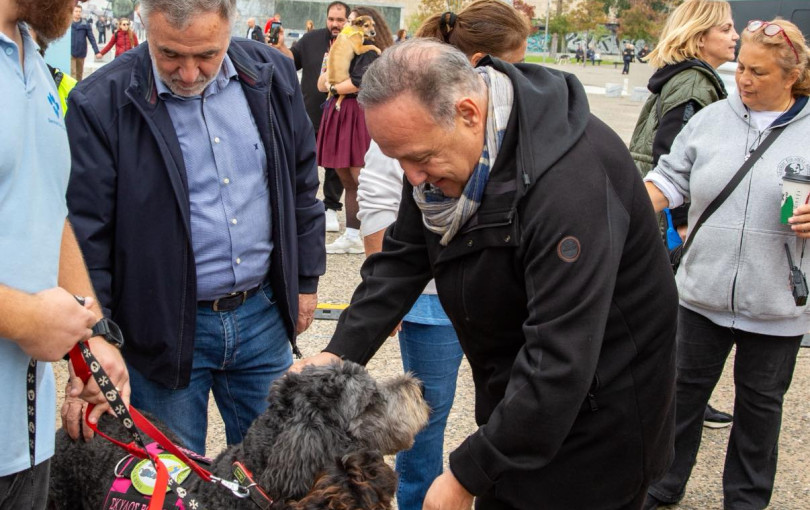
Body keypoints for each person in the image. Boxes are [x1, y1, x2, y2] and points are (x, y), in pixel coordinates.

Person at [296, 38, 679, 509]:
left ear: (469, 113)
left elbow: (560, 361)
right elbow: (401, 260)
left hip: (598, 423)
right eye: (399, 161)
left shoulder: (569, 187)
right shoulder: (443, 161)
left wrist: (465, 474)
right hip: (520, 402)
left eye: (419, 158)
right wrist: (339, 354)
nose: (412, 178)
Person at [64, 0, 325, 456]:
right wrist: (95, 336)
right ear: (144, 25)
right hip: (159, 330)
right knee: (173, 477)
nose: (188, 73)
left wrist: (304, 280)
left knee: (280, 475)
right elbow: (86, 236)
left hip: (262, 317)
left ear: (232, 24)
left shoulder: (271, 75)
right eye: (169, 55)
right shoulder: (99, 102)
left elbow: (302, 182)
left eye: (206, 54)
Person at [355, 6, 531, 509]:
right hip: (432, 303)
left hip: (495, 308)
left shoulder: (530, 153)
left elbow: (546, 372)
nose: (414, 178)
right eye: (513, 65)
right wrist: (378, 310)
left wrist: (470, 475)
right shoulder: (410, 119)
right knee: (426, 414)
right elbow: (394, 237)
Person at [642, 18, 810, 510]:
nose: (744, 80)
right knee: (680, 400)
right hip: (701, 295)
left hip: (776, 302)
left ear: (791, 72)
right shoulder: (712, 118)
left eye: (758, 72)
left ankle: (746, 499)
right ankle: (663, 483)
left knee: (760, 412)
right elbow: (670, 177)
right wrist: (624, 206)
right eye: (741, 69)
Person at [1, 0, 129, 507]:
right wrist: (21, 315)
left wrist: (92, 332)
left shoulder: (29, 52)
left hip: (24, 446)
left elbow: (47, 209)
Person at [628, 0, 739, 430]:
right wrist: (682, 229)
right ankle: (675, 404)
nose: (735, 37)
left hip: (653, 215)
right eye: (726, 29)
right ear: (699, 36)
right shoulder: (695, 84)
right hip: (665, 221)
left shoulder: (685, 78)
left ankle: (678, 399)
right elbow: (673, 158)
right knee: (672, 319)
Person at [317, 6, 393, 254]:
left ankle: (384, 235)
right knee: (347, 179)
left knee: (364, 178)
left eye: (349, 20)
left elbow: (360, 83)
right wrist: (334, 82)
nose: (344, 25)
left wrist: (336, 87)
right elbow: (322, 83)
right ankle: (351, 235)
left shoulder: (371, 51)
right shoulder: (340, 45)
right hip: (339, 111)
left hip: (358, 113)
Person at [271, 2, 350, 234]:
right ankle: (302, 205)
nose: (335, 24)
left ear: (347, 20)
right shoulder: (311, 39)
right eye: (331, 19)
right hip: (309, 114)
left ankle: (331, 208)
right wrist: (282, 46)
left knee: (336, 166)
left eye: (340, 20)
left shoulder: (355, 44)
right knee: (303, 162)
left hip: (340, 114)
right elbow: (289, 61)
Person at [69, 4, 99, 81]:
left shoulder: (85, 24)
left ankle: (77, 89)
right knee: (72, 72)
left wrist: (96, 51)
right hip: (70, 52)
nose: (78, 13)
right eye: (76, 11)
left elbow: (91, 38)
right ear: (72, 12)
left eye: (79, 11)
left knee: (79, 73)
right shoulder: (68, 24)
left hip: (81, 52)